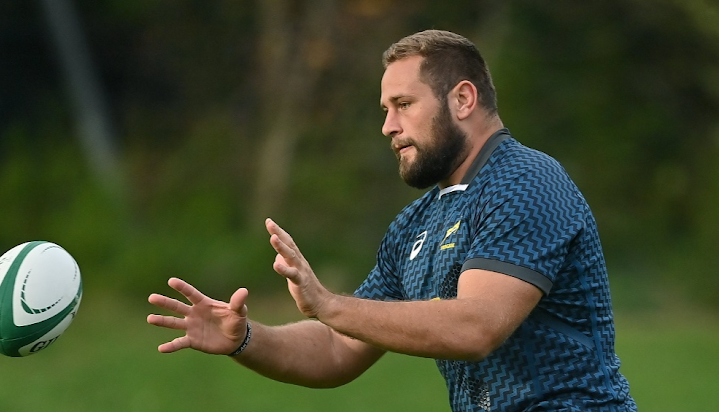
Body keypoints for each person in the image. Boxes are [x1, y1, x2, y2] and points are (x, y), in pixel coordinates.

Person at [147, 29, 637, 411]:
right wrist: (246, 340)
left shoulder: (527, 181)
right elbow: (339, 350)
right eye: (385, 109)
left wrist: (328, 305)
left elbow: (475, 328)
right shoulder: (415, 224)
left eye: (403, 105)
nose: (388, 125)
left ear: (463, 100)